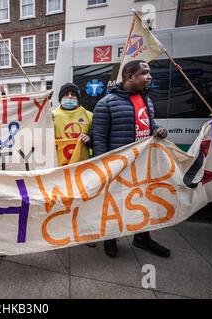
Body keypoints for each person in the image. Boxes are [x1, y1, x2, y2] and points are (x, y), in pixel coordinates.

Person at [92, 60, 170, 258]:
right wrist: (105, 168)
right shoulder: (106, 103)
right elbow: (99, 138)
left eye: (149, 73)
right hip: (118, 167)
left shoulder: (147, 101)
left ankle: (142, 238)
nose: (149, 77)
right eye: (144, 73)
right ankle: (110, 237)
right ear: (129, 77)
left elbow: (149, 124)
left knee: (143, 201)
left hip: (143, 165)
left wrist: (158, 129)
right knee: (115, 202)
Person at [53, 83, 93, 166]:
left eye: (73, 94)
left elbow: (98, 140)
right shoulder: (52, 116)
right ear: (60, 99)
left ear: (78, 99)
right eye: (66, 94)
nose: (70, 96)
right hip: (59, 167)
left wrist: (89, 139)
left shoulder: (89, 116)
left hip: (82, 166)